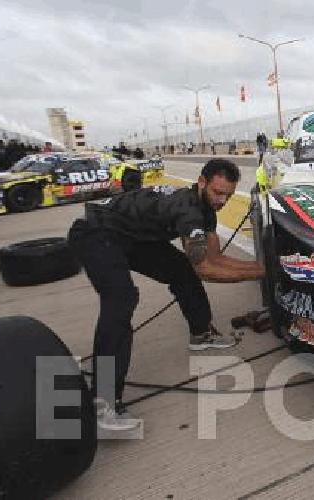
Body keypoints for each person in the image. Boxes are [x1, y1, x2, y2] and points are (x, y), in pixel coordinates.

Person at [67, 159, 266, 431]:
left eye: (228, 195)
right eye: (217, 193)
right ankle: (103, 401)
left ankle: (201, 333)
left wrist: (261, 267)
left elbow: (214, 256)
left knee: (182, 270)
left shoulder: (206, 209)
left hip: (134, 237)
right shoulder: (188, 211)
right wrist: (261, 274)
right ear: (201, 182)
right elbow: (206, 270)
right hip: (96, 232)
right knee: (121, 297)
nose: (222, 201)